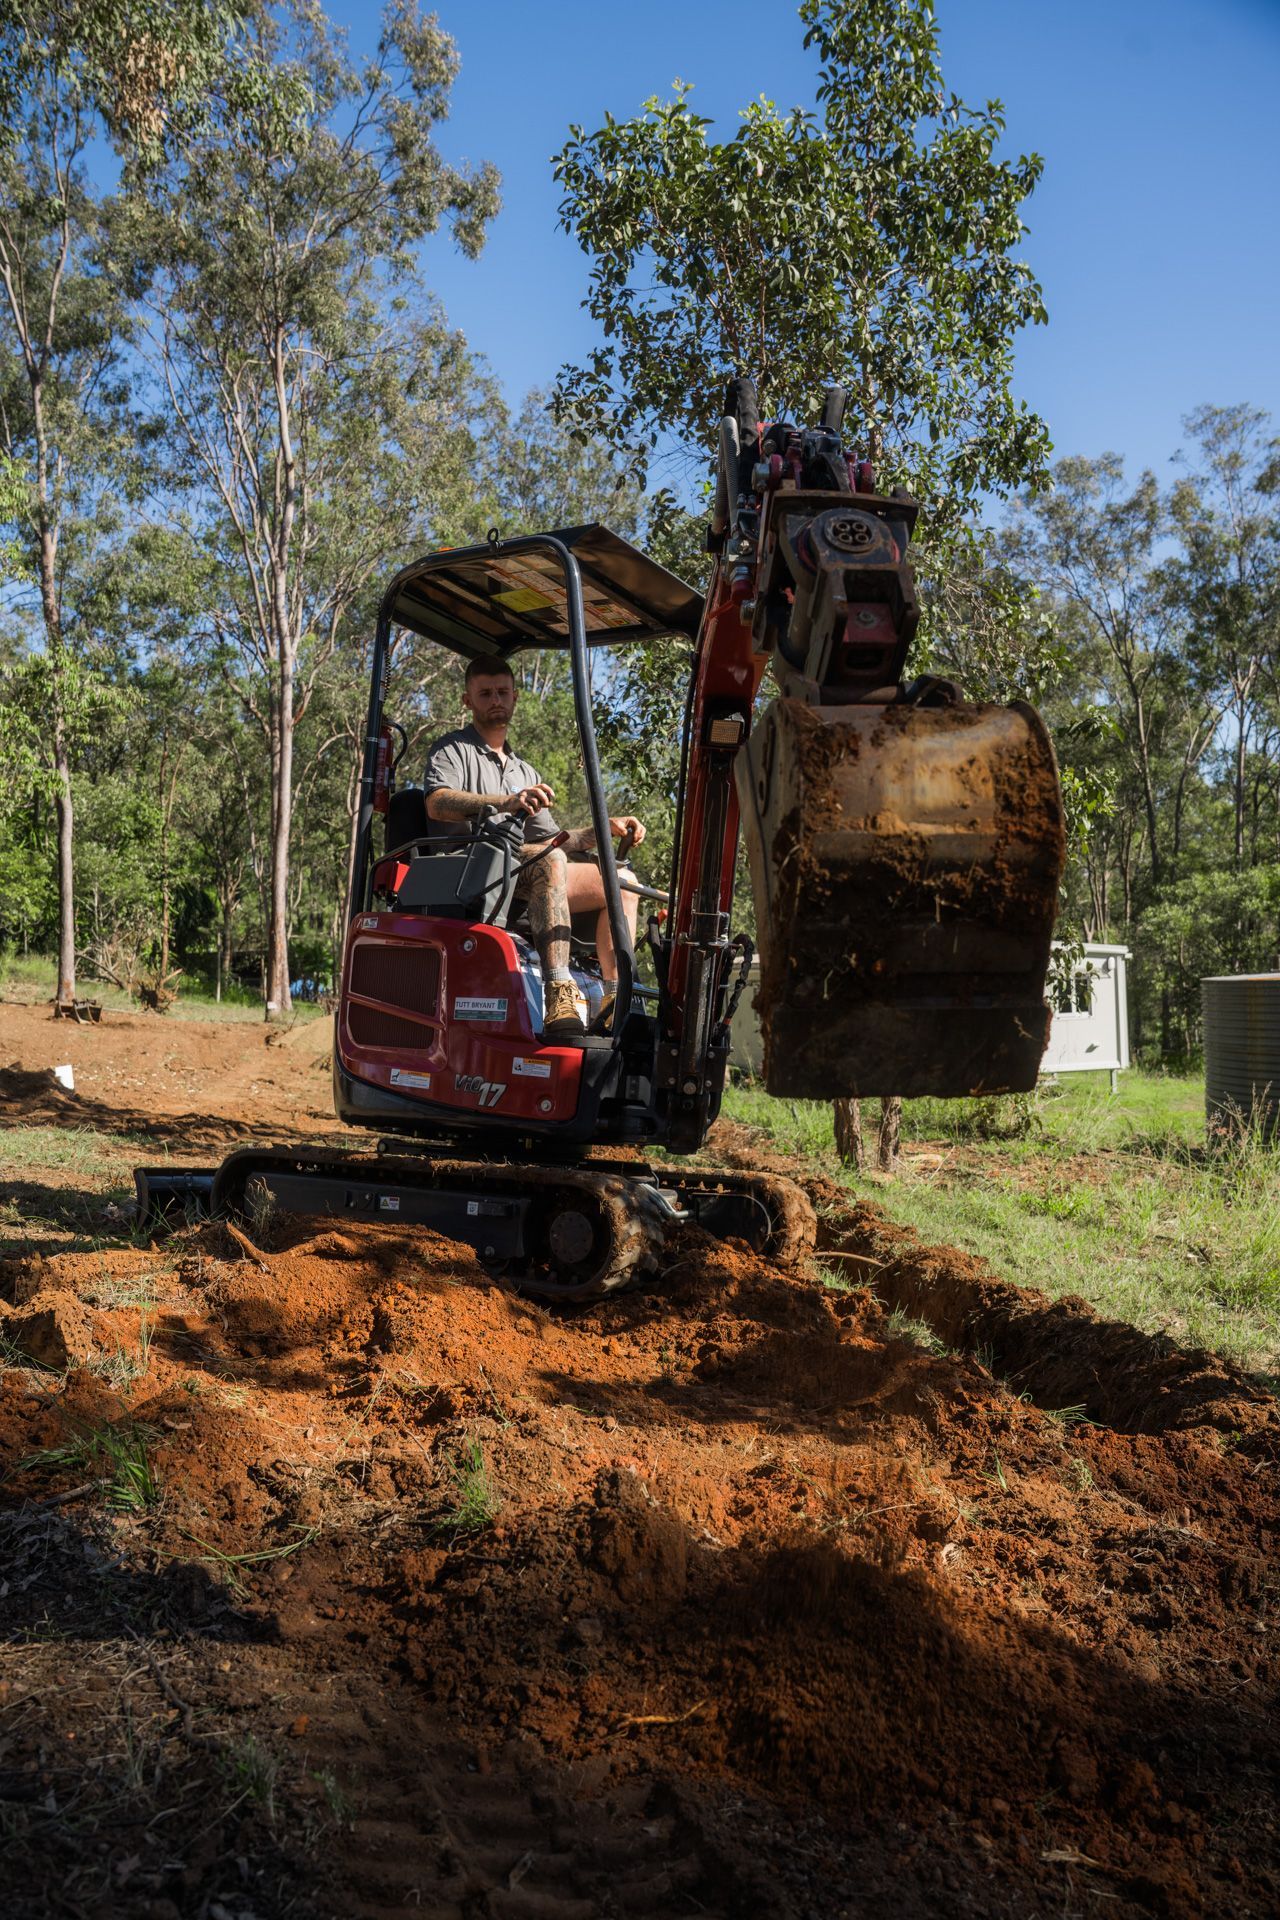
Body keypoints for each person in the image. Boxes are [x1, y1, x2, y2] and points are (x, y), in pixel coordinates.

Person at [423, 658, 645, 1043]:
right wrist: (506, 802)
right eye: (486, 693)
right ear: (467, 700)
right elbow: (437, 803)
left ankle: (615, 1001)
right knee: (552, 862)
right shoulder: (451, 751)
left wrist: (602, 831)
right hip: (472, 870)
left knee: (622, 881)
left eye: (503, 692)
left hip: (524, 870)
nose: (496, 700)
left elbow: (558, 840)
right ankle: (558, 991)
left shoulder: (525, 771)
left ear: (515, 698)